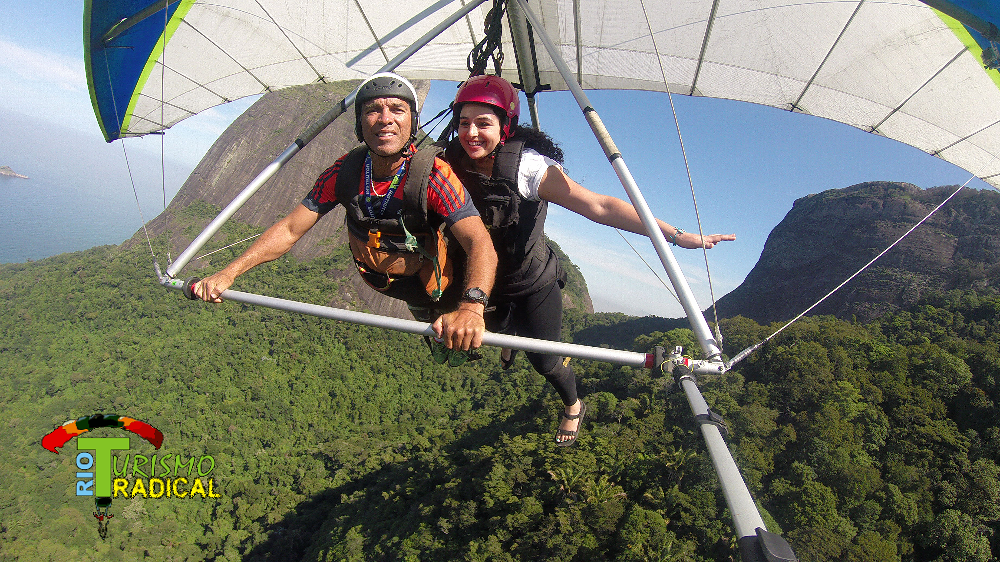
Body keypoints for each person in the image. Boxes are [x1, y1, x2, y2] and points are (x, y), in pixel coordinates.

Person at [444, 74, 736, 446]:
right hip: (485, 279)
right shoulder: (450, 161)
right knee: (496, 324)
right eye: (464, 123)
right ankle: (510, 335)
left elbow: (600, 206)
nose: (471, 133)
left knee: (546, 362)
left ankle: (573, 404)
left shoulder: (527, 169)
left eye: (483, 123)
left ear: (505, 128)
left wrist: (677, 235)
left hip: (532, 282)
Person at [193, 73, 497, 355]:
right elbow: (290, 230)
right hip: (383, 282)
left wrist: (472, 307)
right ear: (360, 123)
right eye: (373, 111)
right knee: (430, 328)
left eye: (397, 109)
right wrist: (228, 273)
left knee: (450, 331)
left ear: (412, 122)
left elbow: (478, 242)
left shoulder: (433, 176)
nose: (385, 119)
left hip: (429, 284)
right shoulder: (344, 172)